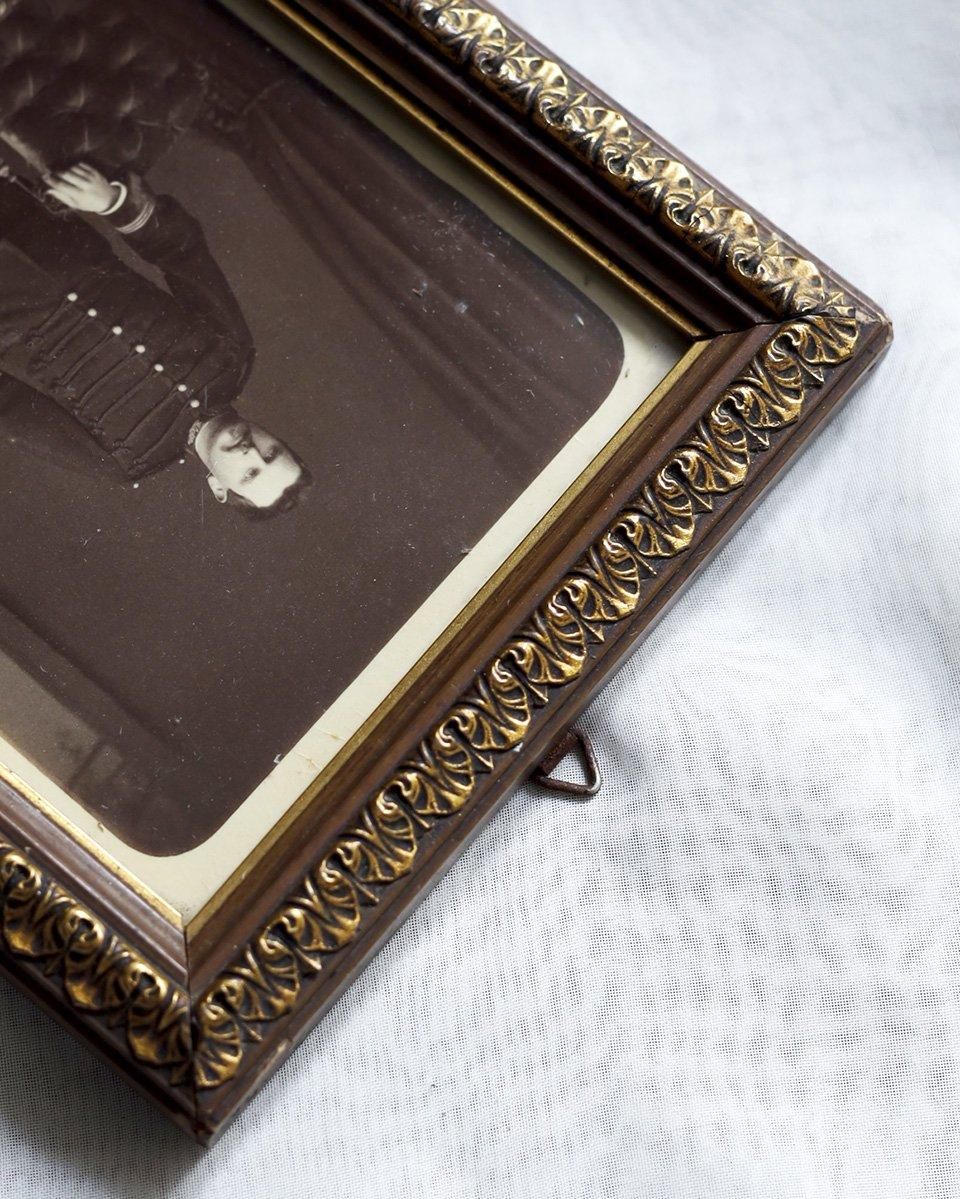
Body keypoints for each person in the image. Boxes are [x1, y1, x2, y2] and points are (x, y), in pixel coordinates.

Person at [0, 160, 310, 516]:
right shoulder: (233, 353)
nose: (251, 452)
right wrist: (113, 203)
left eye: (251, 473)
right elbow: (182, 253)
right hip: (34, 222)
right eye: (271, 453)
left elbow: (7, 408)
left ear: (218, 489)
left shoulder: (123, 463)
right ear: (276, 437)